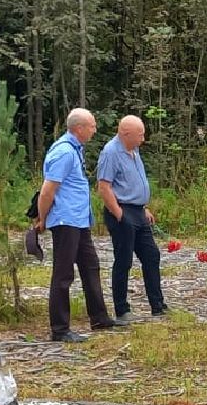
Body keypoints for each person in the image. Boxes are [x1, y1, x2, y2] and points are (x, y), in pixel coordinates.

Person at [34, 108, 119, 341]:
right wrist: (42, 218)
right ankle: (60, 329)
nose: (94, 130)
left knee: (90, 267)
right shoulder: (64, 152)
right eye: (91, 126)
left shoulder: (75, 150)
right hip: (65, 220)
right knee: (63, 274)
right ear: (79, 128)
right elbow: (47, 190)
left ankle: (99, 318)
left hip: (79, 220)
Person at [97, 115, 168, 322]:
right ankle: (122, 309)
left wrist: (143, 207)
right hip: (122, 212)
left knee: (151, 255)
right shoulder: (111, 153)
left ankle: (158, 305)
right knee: (124, 260)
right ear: (125, 134)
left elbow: (132, 182)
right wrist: (119, 214)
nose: (143, 139)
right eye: (140, 134)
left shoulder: (134, 150)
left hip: (138, 211)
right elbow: (104, 187)